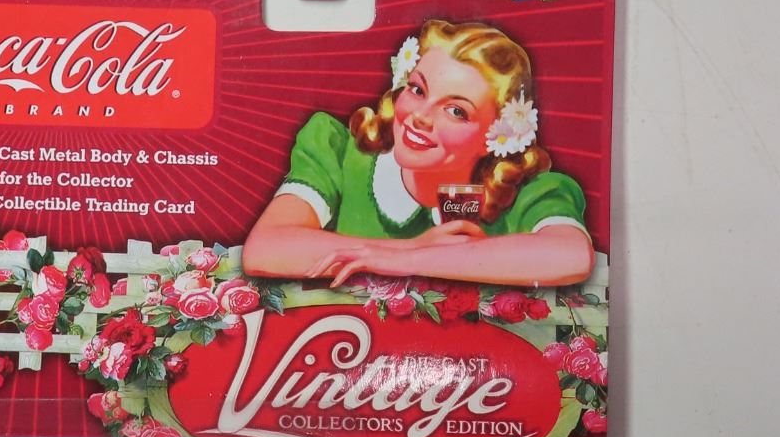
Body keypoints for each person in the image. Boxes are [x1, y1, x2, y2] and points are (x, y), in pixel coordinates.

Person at [243, 19, 594, 288]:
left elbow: (572, 255)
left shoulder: (524, 190)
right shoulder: (340, 152)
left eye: (456, 111)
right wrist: (412, 248)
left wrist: (408, 262)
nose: (421, 117)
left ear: (496, 136)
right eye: (417, 89)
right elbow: (266, 248)